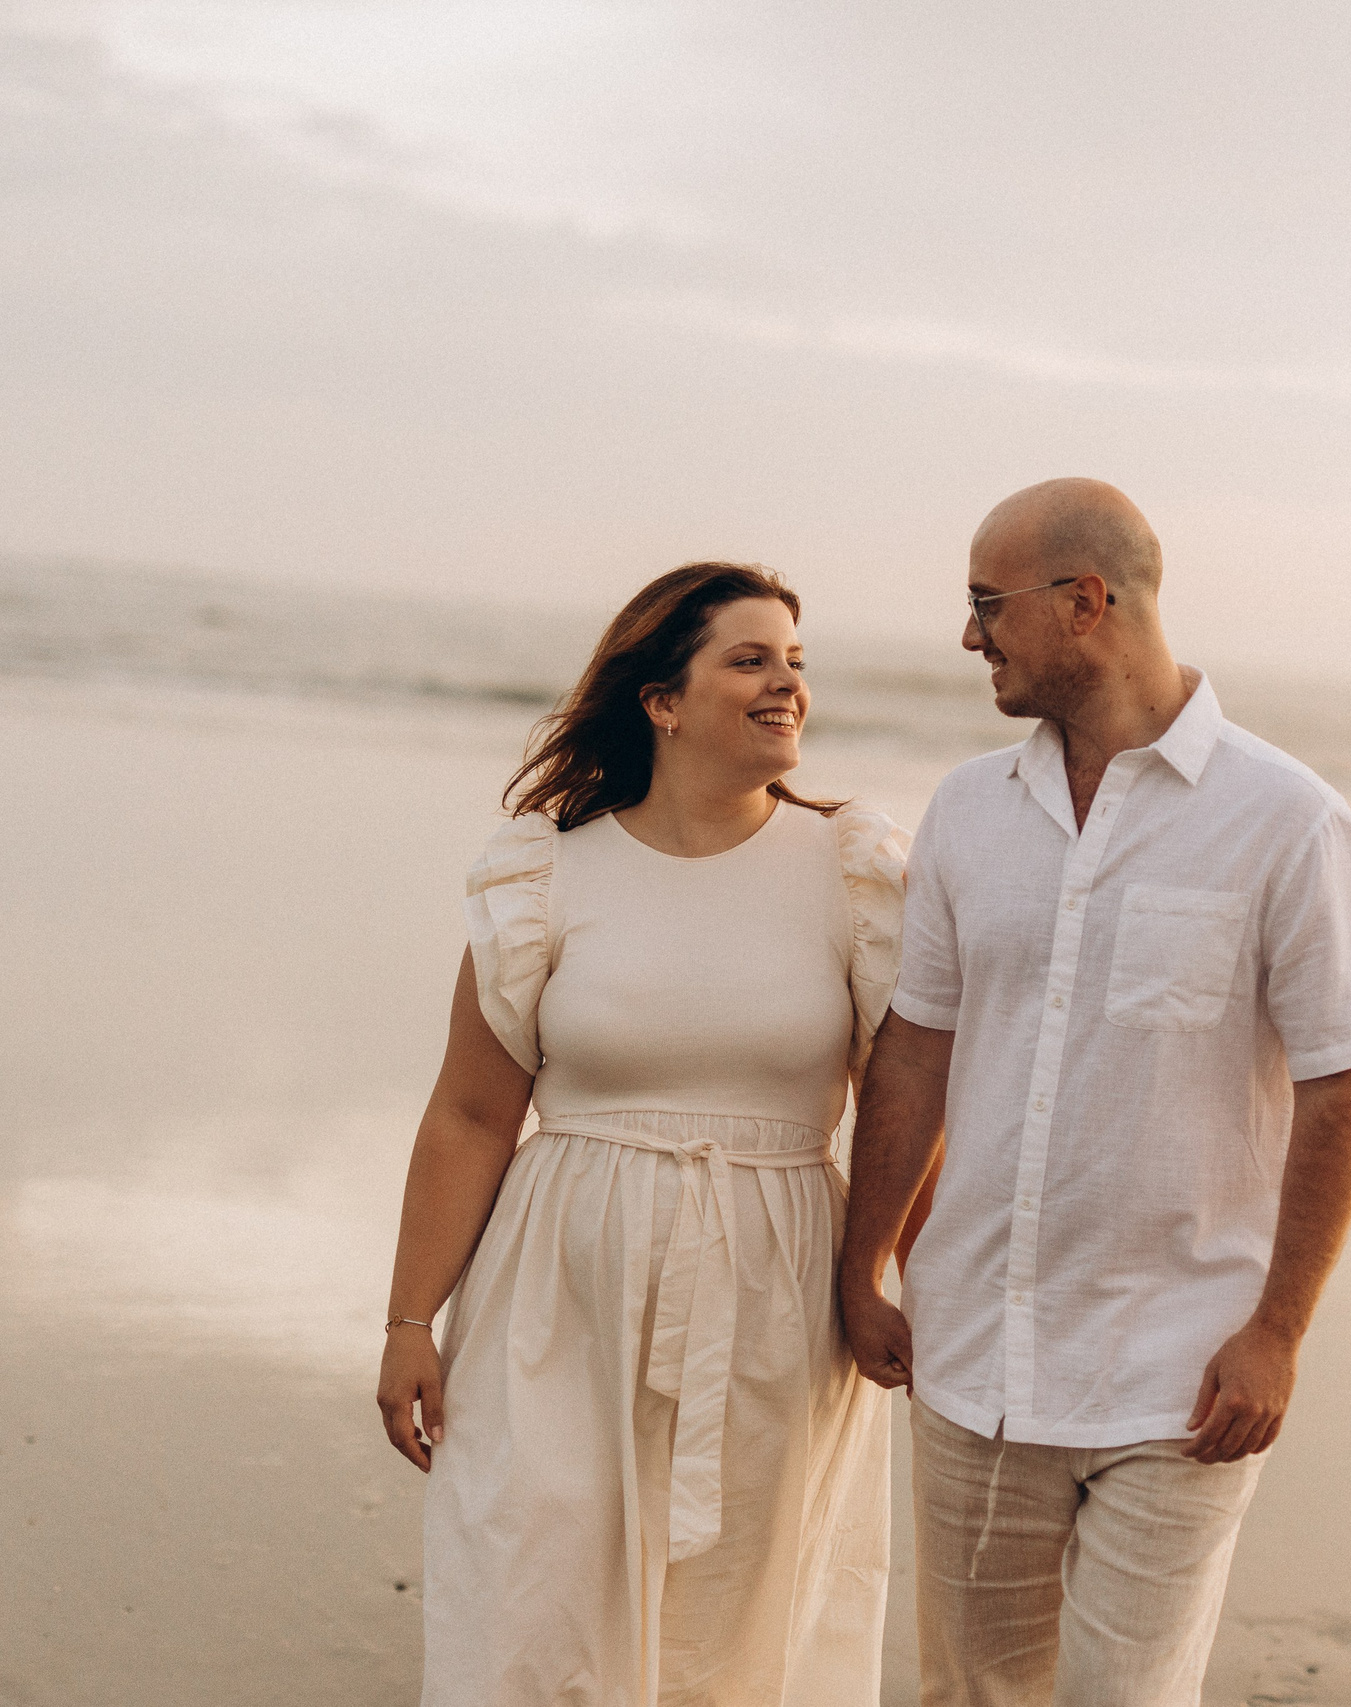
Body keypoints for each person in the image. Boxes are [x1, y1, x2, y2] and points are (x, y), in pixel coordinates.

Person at [838, 480, 1351, 1707]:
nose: (968, 637)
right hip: (974, 1356)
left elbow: (1340, 1085)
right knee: (973, 1696)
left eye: (985, 605)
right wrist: (863, 1268)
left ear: (1083, 604)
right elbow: (912, 1051)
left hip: (1183, 1378)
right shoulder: (966, 813)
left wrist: (1277, 1331)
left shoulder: (1287, 822)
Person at [375, 562, 919, 1707]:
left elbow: (907, 1107)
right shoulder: (545, 874)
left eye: (797, 663)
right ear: (661, 701)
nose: (787, 685)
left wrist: (878, 1273)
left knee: (741, 1613)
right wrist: (410, 1319)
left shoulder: (854, 872)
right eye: (751, 658)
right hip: (558, 1288)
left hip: (778, 1288)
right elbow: (471, 1115)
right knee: (536, 1601)